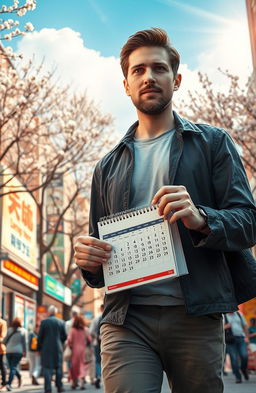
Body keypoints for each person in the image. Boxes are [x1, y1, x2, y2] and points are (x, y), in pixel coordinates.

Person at [74, 28, 256, 393]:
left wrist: (203, 218)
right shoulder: (106, 167)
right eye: (138, 70)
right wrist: (88, 259)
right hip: (126, 319)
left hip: (196, 314)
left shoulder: (213, 144)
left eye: (158, 68)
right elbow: (98, 269)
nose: (149, 77)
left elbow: (249, 223)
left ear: (176, 79)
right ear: (126, 84)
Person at [38, 305, 67, 393]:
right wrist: (60, 341)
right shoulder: (61, 322)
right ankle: (59, 386)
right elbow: (65, 336)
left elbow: (40, 337)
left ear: (49, 312)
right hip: (58, 347)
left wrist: (39, 348)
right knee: (58, 367)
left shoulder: (44, 322)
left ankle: (48, 389)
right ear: (55, 312)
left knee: (47, 368)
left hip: (46, 348)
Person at [224, 311, 249, 383]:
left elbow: (245, 326)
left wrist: (247, 337)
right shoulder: (224, 316)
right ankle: (238, 377)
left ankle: (243, 370)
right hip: (230, 340)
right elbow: (219, 329)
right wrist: (226, 326)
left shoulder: (239, 314)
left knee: (244, 356)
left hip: (241, 338)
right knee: (234, 358)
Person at [67, 314, 91, 390]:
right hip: (83, 351)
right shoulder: (85, 329)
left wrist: (71, 346)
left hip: (74, 351)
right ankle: (82, 384)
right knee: (82, 367)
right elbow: (89, 340)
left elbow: (69, 340)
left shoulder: (72, 330)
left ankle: (74, 383)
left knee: (74, 367)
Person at [3, 317, 26, 391]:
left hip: (9, 350)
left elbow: (4, 340)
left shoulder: (9, 330)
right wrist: (25, 352)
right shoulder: (23, 331)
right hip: (18, 351)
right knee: (13, 367)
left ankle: (9, 383)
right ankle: (11, 382)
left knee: (12, 367)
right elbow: (24, 343)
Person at [89, 304, 104, 389]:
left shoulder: (96, 319)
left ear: (100, 308)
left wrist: (97, 337)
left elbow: (91, 332)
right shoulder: (110, 315)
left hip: (97, 343)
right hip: (108, 343)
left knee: (98, 361)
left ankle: (98, 376)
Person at [0, 316, 7, 389]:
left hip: (0, 349)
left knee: (2, 365)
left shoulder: (2, 322)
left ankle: (4, 383)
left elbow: (3, 336)